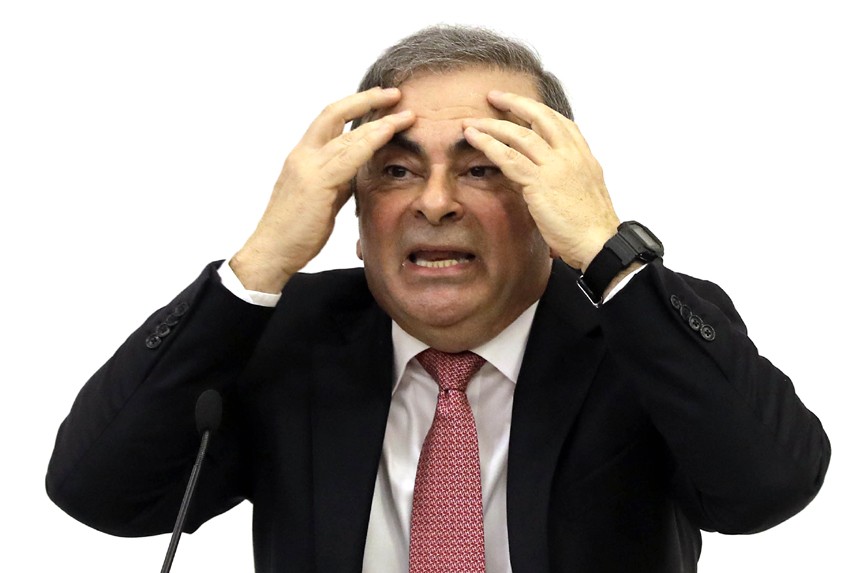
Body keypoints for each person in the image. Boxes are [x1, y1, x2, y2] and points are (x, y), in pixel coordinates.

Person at [46, 25, 830, 573]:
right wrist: (262, 260)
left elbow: (768, 489)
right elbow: (102, 494)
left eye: (484, 166)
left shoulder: (637, 327)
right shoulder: (293, 336)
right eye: (395, 170)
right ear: (353, 214)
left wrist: (605, 248)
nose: (435, 202)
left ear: (549, 199)